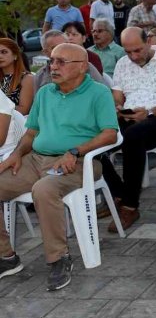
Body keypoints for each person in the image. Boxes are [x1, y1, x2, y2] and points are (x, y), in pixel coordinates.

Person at [0, 43, 118, 291]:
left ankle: (58, 258)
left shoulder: (98, 92)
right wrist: (17, 154)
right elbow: (32, 132)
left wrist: (76, 151)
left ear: (82, 67)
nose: (53, 67)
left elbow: (110, 134)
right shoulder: (45, 92)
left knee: (44, 190)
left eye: (61, 62)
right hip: (35, 159)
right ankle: (7, 257)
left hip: (80, 163)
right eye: (51, 61)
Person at [103, 27, 156, 232]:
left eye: (138, 50)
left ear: (148, 42)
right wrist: (118, 109)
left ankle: (129, 206)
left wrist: (149, 112)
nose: (133, 56)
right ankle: (119, 192)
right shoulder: (122, 64)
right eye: (128, 52)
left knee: (133, 136)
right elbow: (117, 97)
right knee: (95, 135)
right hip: (131, 116)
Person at [33, 31, 103, 91]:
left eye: (65, 45)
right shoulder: (40, 76)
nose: (61, 50)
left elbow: (101, 92)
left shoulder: (84, 66)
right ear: (45, 52)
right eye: (55, 47)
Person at [0, 38, 35, 115]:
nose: (0, 56)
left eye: (4, 52)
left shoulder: (27, 79)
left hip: (17, 121)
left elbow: (24, 110)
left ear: (15, 55)